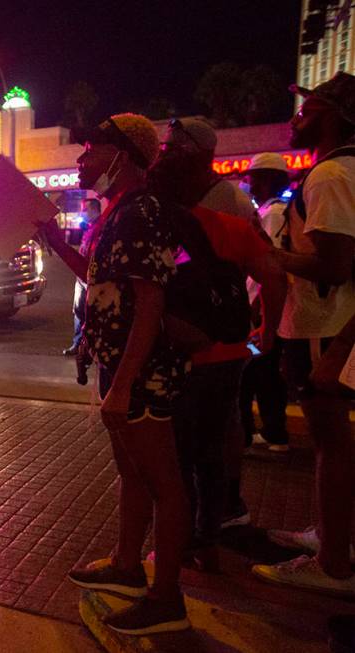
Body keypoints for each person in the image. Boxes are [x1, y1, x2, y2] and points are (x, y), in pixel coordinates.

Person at [40, 114, 190, 635]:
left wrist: (124, 384)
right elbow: (105, 283)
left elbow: (149, 303)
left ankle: (167, 598)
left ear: (122, 155)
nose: (81, 161)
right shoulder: (118, 212)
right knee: (132, 472)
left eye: (90, 149)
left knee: (165, 482)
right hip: (119, 367)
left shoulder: (141, 212)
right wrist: (57, 245)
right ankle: (127, 568)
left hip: (142, 373)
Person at [150, 127, 287, 572]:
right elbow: (273, 277)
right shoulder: (232, 225)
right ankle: (209, 540)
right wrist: (266, 330)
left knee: (177, 457)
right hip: (230, 352)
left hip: (182, 357)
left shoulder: (163, 232)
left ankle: (182, 543)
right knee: (210, 452)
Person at [252, 73, 355, 596]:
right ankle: (334, 536)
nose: (295, 120)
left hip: (325, 327)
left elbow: (334, 266)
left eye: (306, 110)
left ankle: (335, 564)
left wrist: (273, 256)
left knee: (332, 446)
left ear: (334, 116)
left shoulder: (331, 175)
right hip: (331, 327)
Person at [240, 153, 292, 453]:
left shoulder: (272, 214)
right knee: (262, 372)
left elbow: (270, 266)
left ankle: (267, 433)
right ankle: (272, 432)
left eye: (254, 179)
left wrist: (259, 309)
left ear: (269, 178)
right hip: (262, 309)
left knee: (254, 372)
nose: (250, 185)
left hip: (259, 310)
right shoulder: (274, 211)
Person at [65, 199, 102, 356]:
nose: (83, 213)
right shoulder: (89, 227)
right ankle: (78, 343)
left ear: (94, 209)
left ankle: (91, 345)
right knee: (79, 310)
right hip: (81, 276)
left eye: (85, 210)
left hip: (91, 276)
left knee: (90, 311)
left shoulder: (102, 227)